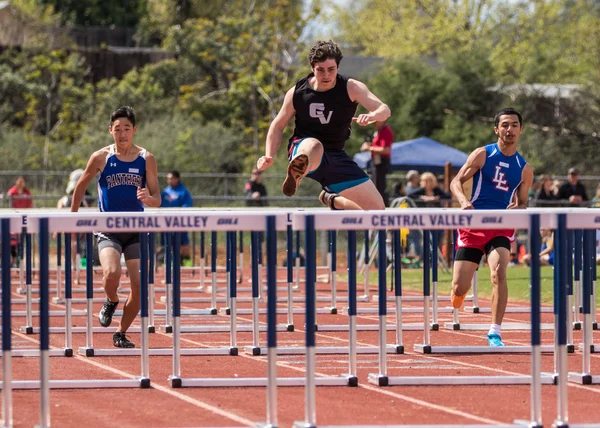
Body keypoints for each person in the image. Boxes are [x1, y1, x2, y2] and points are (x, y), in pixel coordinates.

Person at [256, 40, 390, 210]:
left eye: (331, 69)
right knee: (314, 146)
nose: (326, 75)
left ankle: (332, 199)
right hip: (303, 147)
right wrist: (269, 155)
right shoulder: (298, 92)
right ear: (313, 68)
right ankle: (299, 171)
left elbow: (384, 109)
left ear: (338, 68)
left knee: (378, 210)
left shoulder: (351, 88)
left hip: (335, 156)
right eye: (320, 70)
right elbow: (278, 125)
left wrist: (373, 116)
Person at [69, 106, 161, 348]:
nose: (122, 134)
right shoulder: (101, 157)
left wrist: (149, 199)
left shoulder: (146, 158)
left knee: (140, 288)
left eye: (127, 129)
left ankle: (120, 332)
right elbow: (80, 187)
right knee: (111, 274)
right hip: (108, 228)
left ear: (135, 131)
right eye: (117, 129)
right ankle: (111, 299)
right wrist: (71, 218)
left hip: (136, 229)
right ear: (110, 131)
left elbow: (157, 197)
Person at [449, 108, 534, 347]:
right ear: (497, 129)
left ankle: (495, 331)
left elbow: (523, 201)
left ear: (521, 129)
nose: (510, 130)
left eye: (514, 125)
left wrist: (519, 209)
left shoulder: (525, 169)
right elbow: (456, 181)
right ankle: (459, 294)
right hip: (473, 225)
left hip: (500, 227)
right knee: (458, 288)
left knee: (499, 271)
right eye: (505, 125)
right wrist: (464, 202)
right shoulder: (483, 154)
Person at [161, 170, 193, 265]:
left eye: (171, 178)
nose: (169, 180)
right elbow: (160, 205)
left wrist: (178, 213)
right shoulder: (165, 192)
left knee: (183, 244)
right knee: (168, 243)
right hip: (167, 222)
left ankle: (187, 262)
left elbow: (187, 204)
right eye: (168, 179)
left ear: (177, 179)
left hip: (180, 222)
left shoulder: (184, 191)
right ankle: (171, 262)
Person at [361, 120, 394, 206]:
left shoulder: (386, 131)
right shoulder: (379, 131)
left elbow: (386, 150)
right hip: (377, 161)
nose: (374, 124)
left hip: (381, 162)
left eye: (375, 122)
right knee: (376, 184)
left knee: (379, 185)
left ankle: (382, 205)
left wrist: (369, 148)